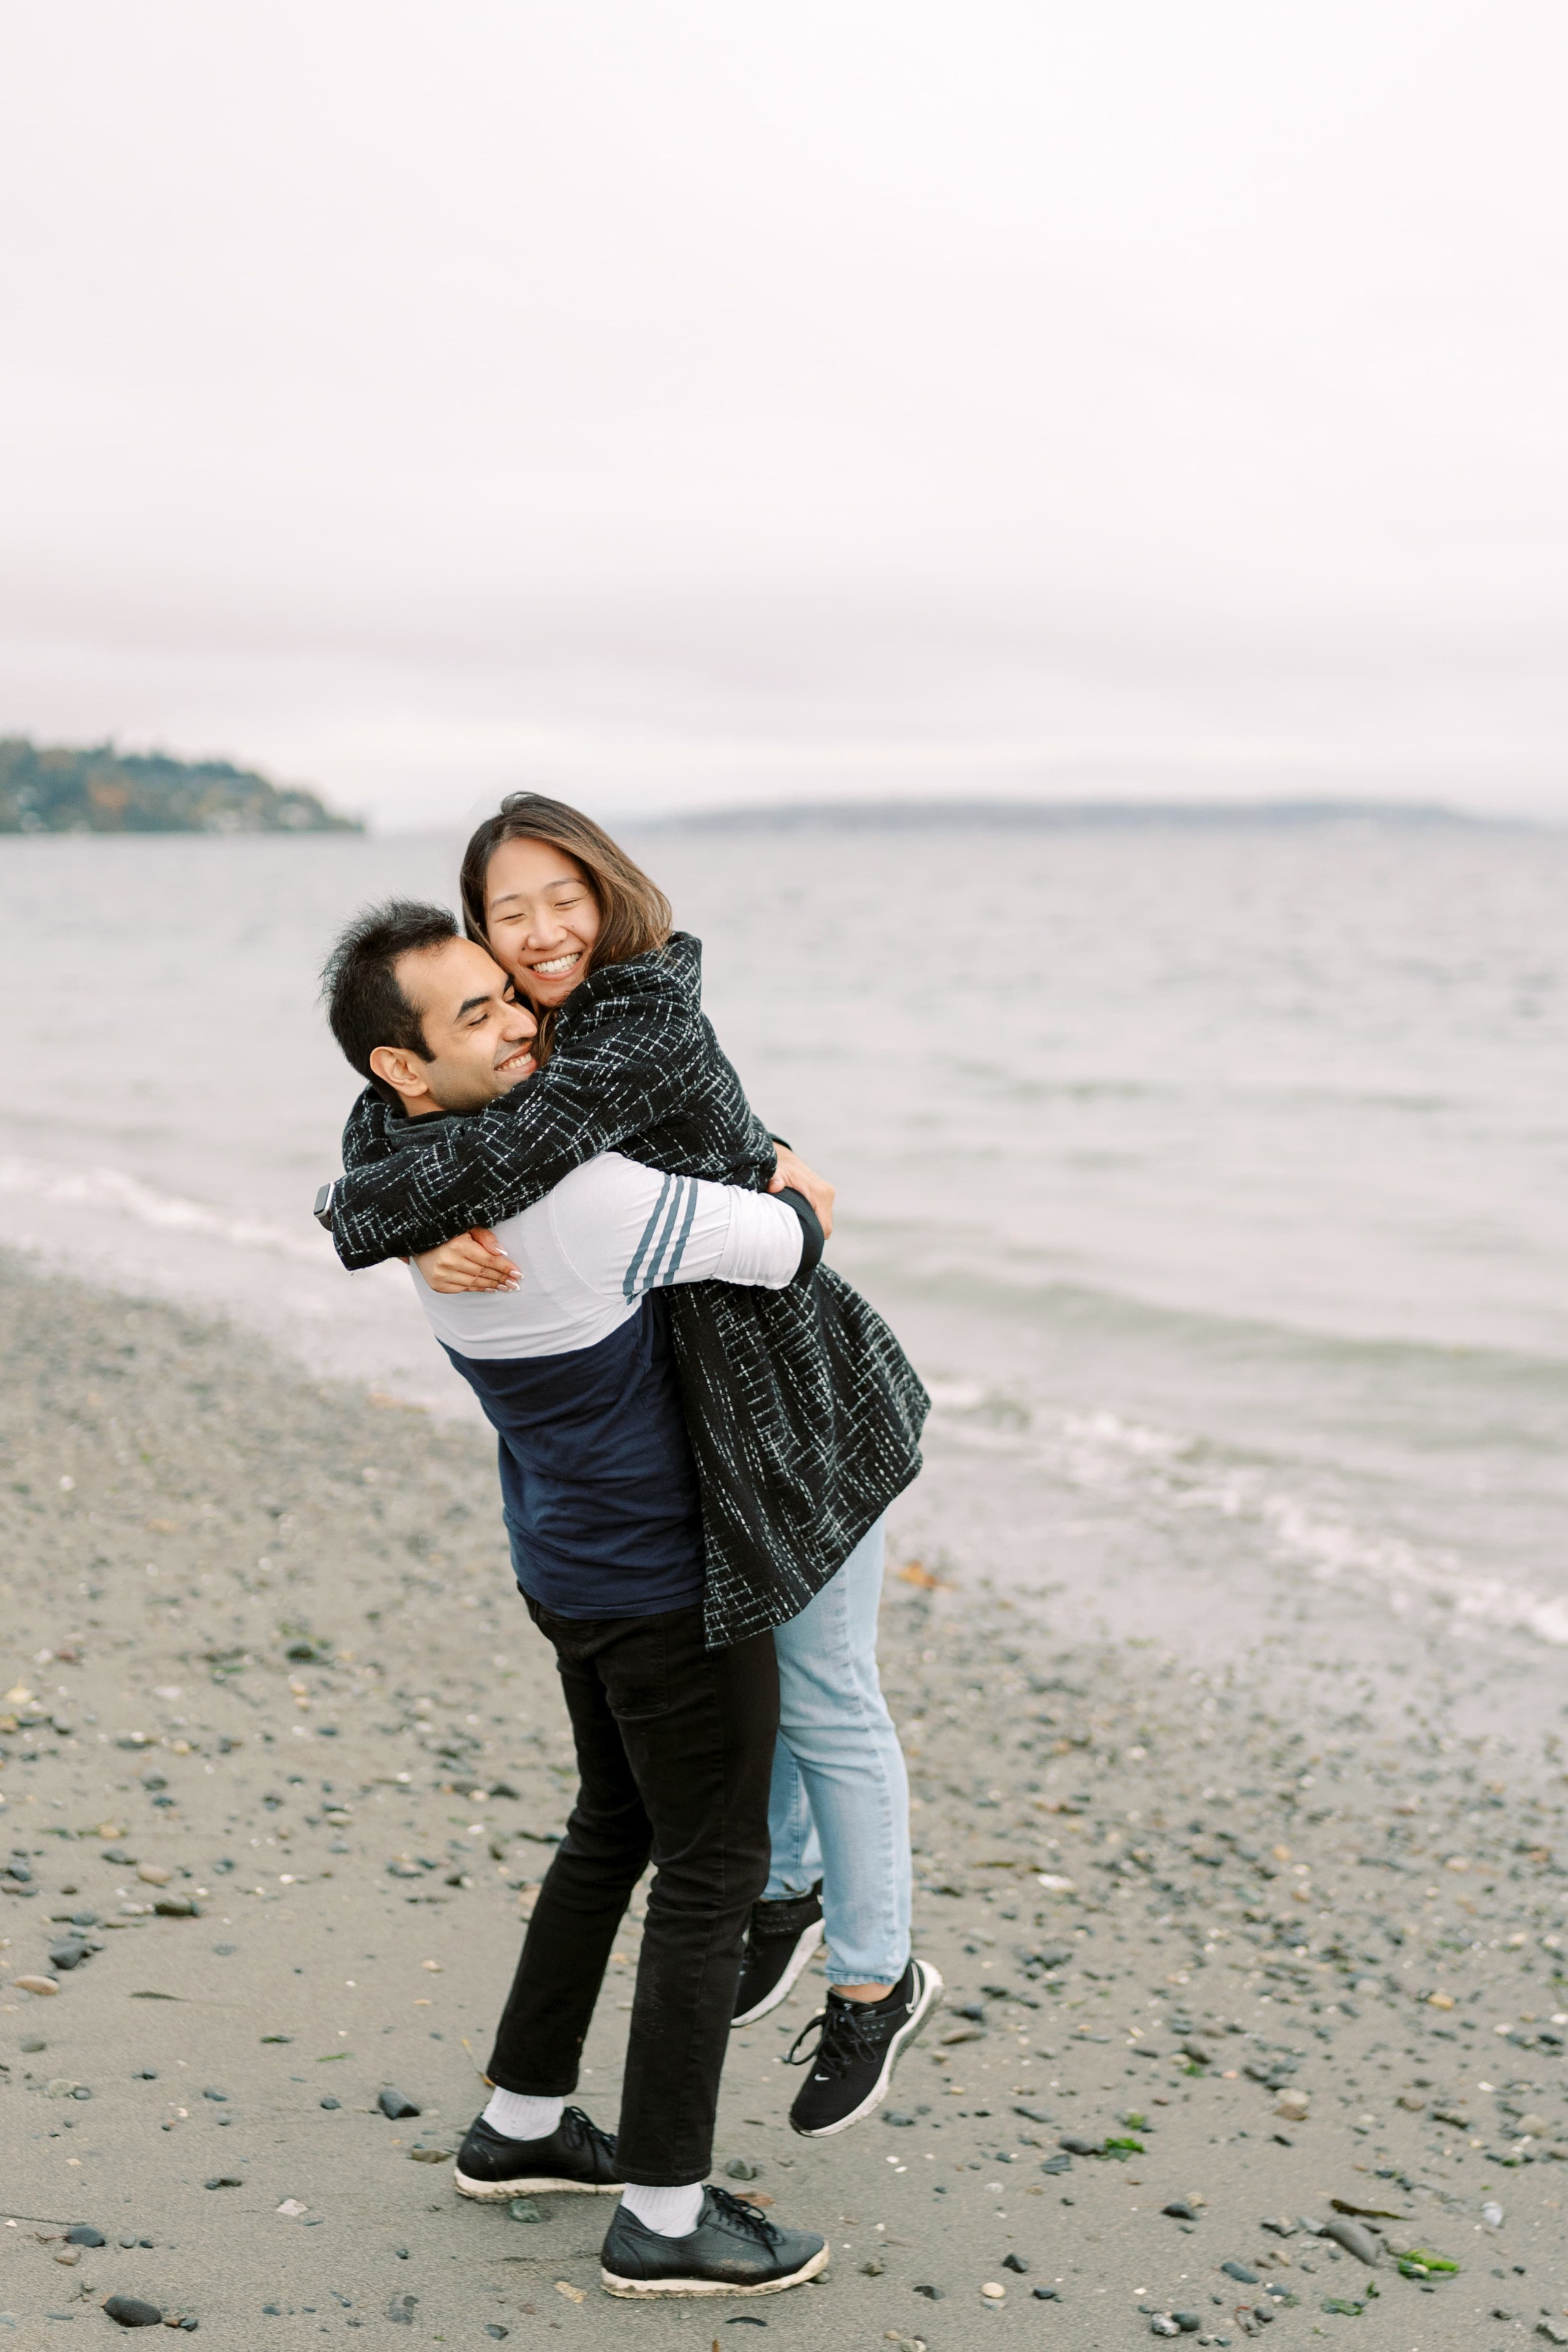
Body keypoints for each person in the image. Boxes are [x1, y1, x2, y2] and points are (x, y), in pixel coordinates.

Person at [318, 796, 941, 2136]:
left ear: (609, 891)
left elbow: (505, 1150)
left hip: (798, 1398)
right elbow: (396, 1125)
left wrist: (378, 1221)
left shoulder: (635, 1021)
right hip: (702, 1422)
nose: (539, 938)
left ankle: (874, 1982)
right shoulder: (509, 1043)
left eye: (563, 898)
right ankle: (781, 1892)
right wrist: (404, 1226)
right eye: (506, 916)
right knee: (757, 1681)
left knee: (827, 1694)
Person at [320, 900, 832, 2299]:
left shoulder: (427, 1199)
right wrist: (785, 1180)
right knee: (711, 1870)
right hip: (662, 1585)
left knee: (611, 1827)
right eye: (473, 1014)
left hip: (561, 1561)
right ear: (402, 1073)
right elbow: (788, 1240)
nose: (520, 1020)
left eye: (509, 993)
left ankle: (521, 2125)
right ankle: (666, 2214)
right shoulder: (584, 1193)